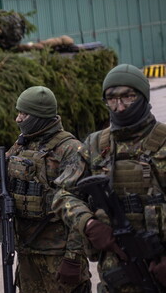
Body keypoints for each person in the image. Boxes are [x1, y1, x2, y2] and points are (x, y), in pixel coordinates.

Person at [52, 64, 166, 292]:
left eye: (128, 97)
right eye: (111, 99)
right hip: (116, 271)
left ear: (143, 96)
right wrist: (89, 223)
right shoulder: (95, 145)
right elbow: (63, 194)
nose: (120, 107)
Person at [0, 86, 92, 293]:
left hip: (58, 255)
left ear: (40, 116)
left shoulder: (70, 150)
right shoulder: (23, 144)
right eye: (18, 112)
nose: (18, 119)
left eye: (24, 114)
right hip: (27, 252)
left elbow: (81, 208)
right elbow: (2, 179)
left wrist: (73, 258)